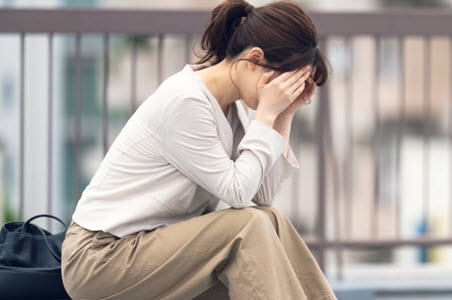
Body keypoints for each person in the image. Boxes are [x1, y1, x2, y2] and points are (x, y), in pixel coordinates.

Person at [60, 0, 335, 299]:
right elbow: (238, 193)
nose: (284, 94)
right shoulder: (186, 101)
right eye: (285, 84)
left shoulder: (237, 106)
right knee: (248, 227)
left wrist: (284, 114)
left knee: (271, 220)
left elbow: (262, 195)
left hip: (152, 248)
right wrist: (267, 114)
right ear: (254, 59)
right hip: (101, 257)